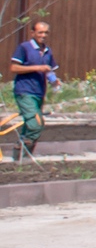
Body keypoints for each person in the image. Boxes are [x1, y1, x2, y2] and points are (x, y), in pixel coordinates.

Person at [10, 20, 61, 161]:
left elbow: (49, 70)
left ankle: (21, 158)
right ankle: (21, 150)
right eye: (40, 32)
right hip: (24, 91)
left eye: (46, 33)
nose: (43, 35)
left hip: (39, 92)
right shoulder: (24, 48)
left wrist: (54, 81)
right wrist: (37, 68)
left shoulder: (47, 51)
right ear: (32, 33)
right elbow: (14, 68)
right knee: (36, 124)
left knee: (30, 125)